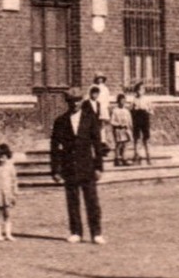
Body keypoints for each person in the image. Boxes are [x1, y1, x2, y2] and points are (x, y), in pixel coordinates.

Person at [50, 87, 106, 243]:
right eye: (71, 101)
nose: (75, 104)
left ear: (82, 101)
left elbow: (97, 144)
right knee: (72, 200)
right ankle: (76, 231)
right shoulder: (60, 122)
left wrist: (99, 167)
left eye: (77, 101)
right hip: (70, 166)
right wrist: (55, 170)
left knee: (92, 201)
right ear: (67, 102)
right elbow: (55, 148)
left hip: (87, 166)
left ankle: (96, 233)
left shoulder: (90, 119)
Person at [129, 80, 154, 165]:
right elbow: (131, 110)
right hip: (136, 118)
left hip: (144, 118)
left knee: (146, 138)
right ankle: (137, 156)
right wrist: (134, 110)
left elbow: (152, 110)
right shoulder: (134, 100)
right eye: (139, 89)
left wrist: (148, 111)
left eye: (142, 89)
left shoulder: (147, 99)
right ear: (136, 91)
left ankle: (148, 157)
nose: (141, 91)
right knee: (136, 138)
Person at [108, 94, 134, 167]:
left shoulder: (126, 111)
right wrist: (118, 124)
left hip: (125, 129)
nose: (123, 102)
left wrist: (130, 127)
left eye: (124, 100)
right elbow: (112, 121)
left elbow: (130, 120)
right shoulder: (115, 110)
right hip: (118, 130)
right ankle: (117, 159)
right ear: (118, 101)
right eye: (121, 100)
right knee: (119, 144)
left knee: (125, 144)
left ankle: (124, 158)